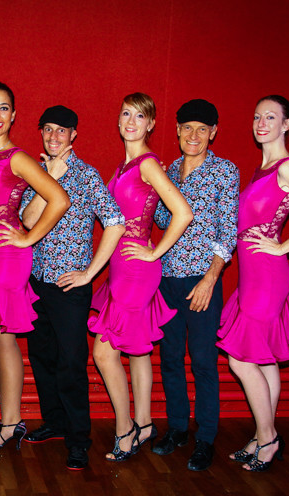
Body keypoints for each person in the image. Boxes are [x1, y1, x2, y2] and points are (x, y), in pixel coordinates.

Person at [0, 82, 70, 464]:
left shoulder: (17, 158)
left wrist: (28, 238)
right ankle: (12, 421)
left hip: (7, 258)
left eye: (3, 108)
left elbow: (59, 198)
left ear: (14, 115)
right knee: (4, 340)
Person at [217, 95, 289, 472]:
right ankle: (261, 436)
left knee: (240, 359)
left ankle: (268, 439)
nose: (261, 123)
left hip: (267, 277)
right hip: (253, 276)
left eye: (270, 117)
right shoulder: (262, 169)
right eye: (257, 117)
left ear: (287, 124)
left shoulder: (286, 168)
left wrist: (281, 246)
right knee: (264, 359)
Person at [88, 93, 193, 462]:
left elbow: (183, 212)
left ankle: (125, 429)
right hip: (120, 266)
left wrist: (154, 251)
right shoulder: (123, 166)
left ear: (151, 124)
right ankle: (144, 423)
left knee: (104, 352)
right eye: (126, 114)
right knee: (137, 348)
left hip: (136, 269)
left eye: (140, 116)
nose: (131, 121)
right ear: (118, 120)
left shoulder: (148, 164)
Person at [20, 105, 125, 470]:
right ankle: (55, 422)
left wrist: (89, 273)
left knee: (71, 363)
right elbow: (27, 220)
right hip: (36, 283)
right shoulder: (35, 172)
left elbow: (115, 222)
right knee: (42, 357)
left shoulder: (87, 175)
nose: (54, 137)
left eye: (61, 131)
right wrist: (49, 179)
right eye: (48, 129)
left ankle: (79, 439)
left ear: (73, 135)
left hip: (69, 288)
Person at [152, 99, 239, 471]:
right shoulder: (170, 170)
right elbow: (161, 219)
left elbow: (228, 230)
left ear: (213, 132)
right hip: (167, 278)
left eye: (202, 129)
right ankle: (177, 428)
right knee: (170, 358)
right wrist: (155, 187)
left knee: (203, 362)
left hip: (202, 279)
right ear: (176, 129)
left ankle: (205, 438)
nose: (193, 135)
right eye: (187, 127)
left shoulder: (225, 171)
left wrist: (210, 278)